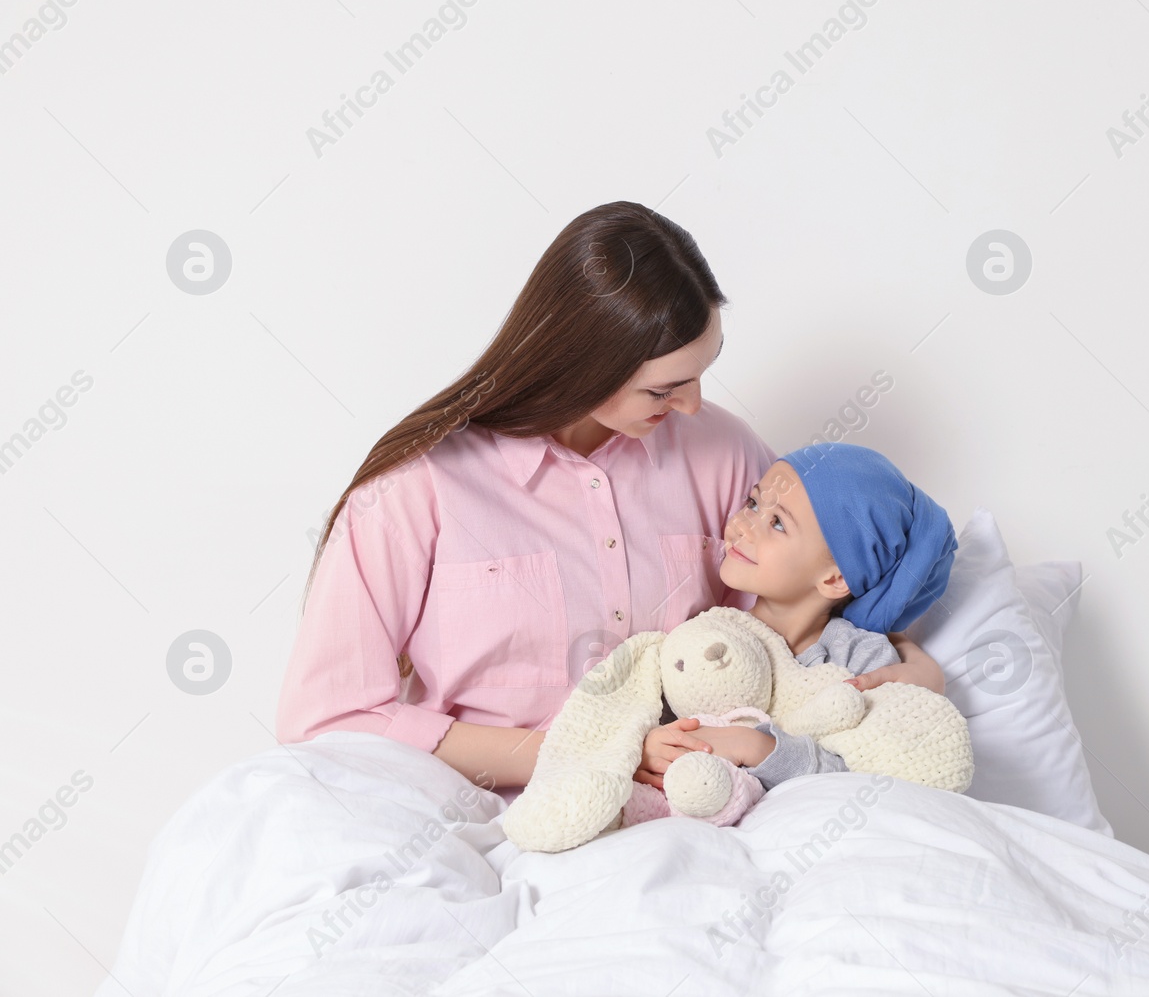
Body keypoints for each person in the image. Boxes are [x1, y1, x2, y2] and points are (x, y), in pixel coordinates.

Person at [275, 201, 801, 797]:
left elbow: (797, 626)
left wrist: (900, 662)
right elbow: (327, 721)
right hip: (483, 815)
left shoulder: (726, 453)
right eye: (664, 388)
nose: (691, 404)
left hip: (694, 804)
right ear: (582, 366)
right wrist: (601, 753)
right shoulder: (417, 487)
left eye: (705, 369)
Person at [636, 442, 957, 791]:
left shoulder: (862, 662)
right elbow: (653, 722)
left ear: (835, 578)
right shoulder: (709, 634)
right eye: (753, 503)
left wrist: (757, 747)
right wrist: (650, 746)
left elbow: (869, 774)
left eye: (776, 524)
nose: (743, 526)